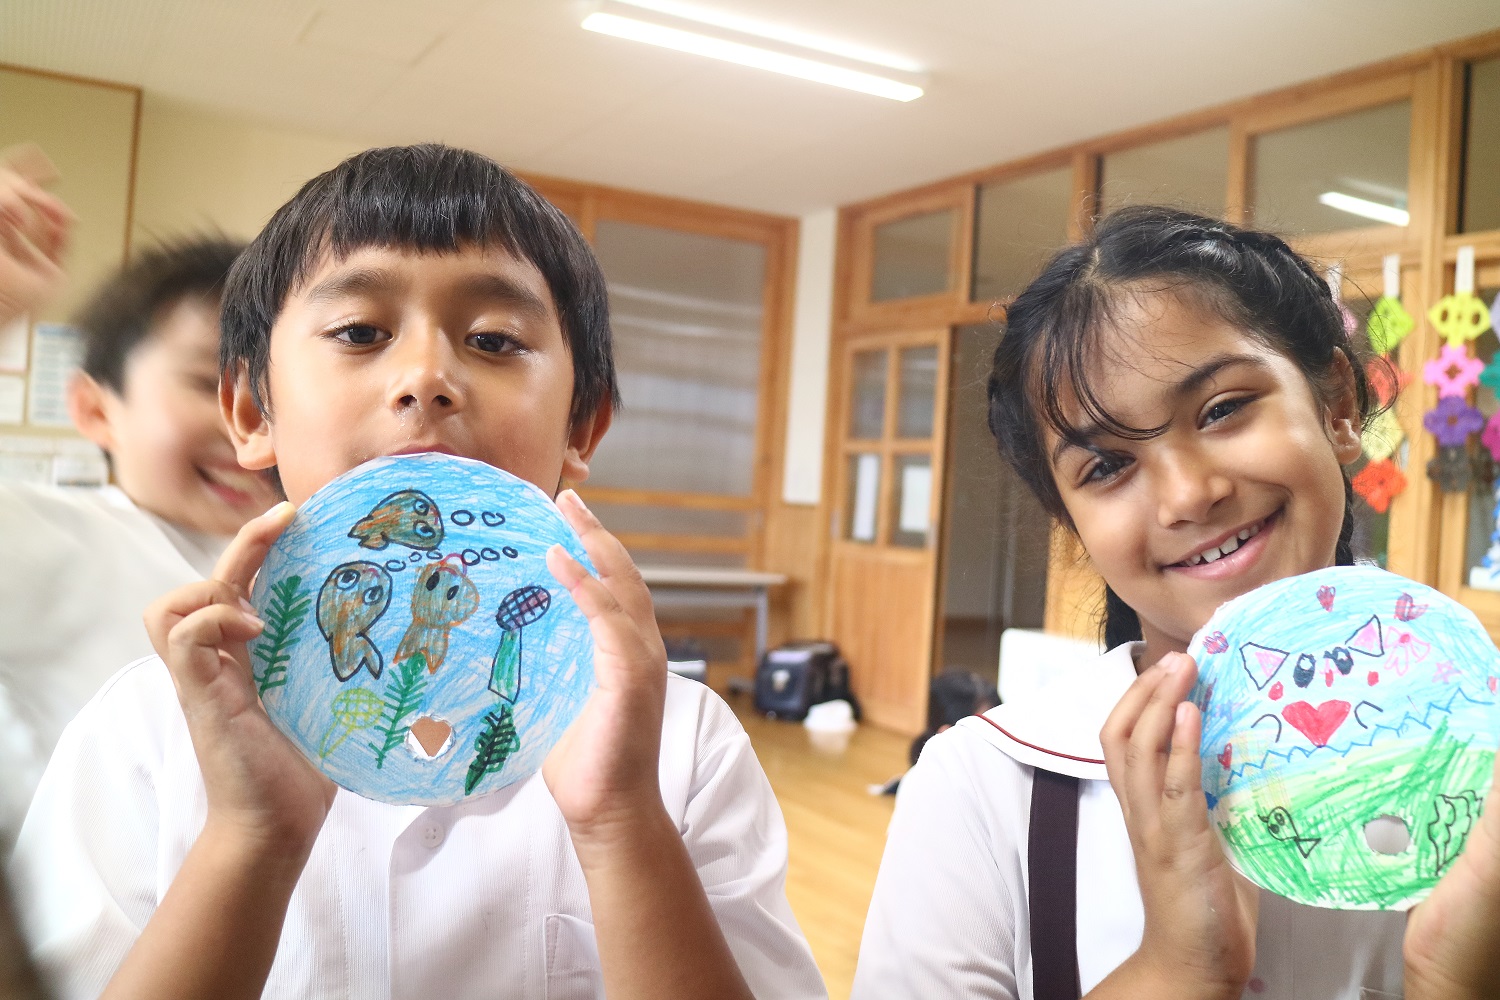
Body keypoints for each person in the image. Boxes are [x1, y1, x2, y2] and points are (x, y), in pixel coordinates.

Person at [9, 144, 824, 1000]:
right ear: (252, 411)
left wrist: (622, 823)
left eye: (494, 340)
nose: (427, 377)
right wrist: (250, 838)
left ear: (580, 425)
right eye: (360, 333)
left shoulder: (680, 746)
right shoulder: (145, 734)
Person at [852, 206, 1500, 999]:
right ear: (1072, 524)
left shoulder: (1481, 762)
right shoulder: (983, 788)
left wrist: (1454, 982)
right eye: (1106, 467)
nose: (1189, 494)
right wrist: (1175, 971)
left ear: (1336, 407)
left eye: (1223, 409)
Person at [0, 161, 279, 838]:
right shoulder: (58, 535)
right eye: (206, 382)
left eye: (280, 394)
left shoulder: (306, 564)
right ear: (97, 411)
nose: (247, 421)